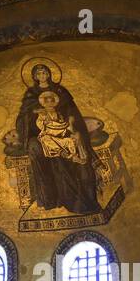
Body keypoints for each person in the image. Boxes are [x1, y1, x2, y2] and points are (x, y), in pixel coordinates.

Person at [15, 64, 100, 214]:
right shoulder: (31, 94)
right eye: (39, 73)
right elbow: (24, 118)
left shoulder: (61, 91)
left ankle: (85, 199)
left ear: (49, 74)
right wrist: (35, 112)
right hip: (45, 135)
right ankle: (51, 197)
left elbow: (72, 113)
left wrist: (75, 129)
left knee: (78, 151)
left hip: (65, 131)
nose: (42, 75)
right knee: (43, 149)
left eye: (44, 72)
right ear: (35, 77)